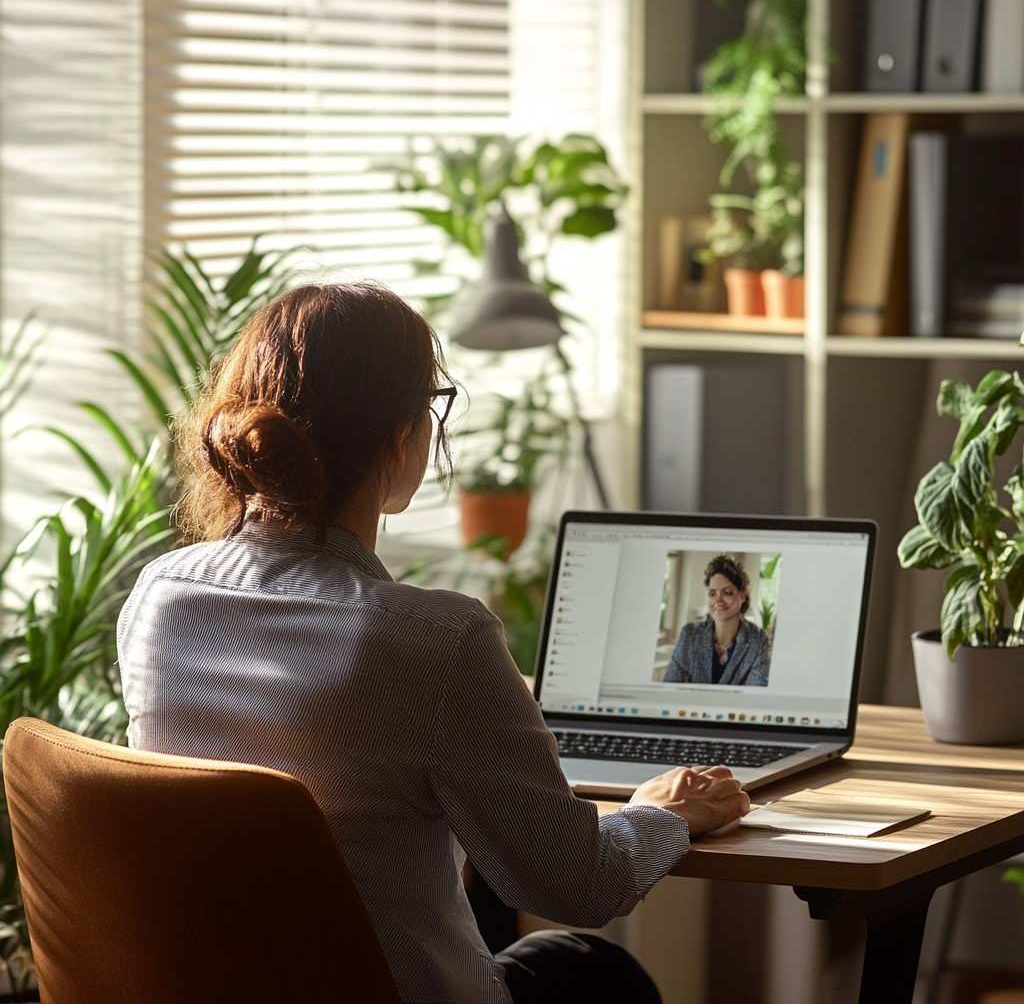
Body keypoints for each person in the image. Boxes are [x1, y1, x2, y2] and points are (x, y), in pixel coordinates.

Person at [117, 284, 750, 1004]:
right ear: (401, 437)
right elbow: (576, 883)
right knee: (593, 971)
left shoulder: (159, 600)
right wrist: (661, 810)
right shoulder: (432, 642)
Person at [663, 555, 771, 687]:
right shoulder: (689, 635)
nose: (718, 600)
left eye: (727, 592)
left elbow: (755, 698)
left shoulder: (758, 641)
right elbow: (670, 688)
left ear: (742, 596)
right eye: (712, 593)